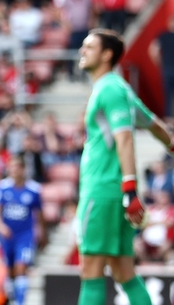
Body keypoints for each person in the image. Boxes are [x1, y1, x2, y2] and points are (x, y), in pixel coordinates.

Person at [76, 28, 174, 305]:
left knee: (91, 268)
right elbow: (155, 126)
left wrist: (129, 187)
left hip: (104, 190)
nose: (82, 51)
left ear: (107, 55)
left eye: (89, 47)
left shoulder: (109, 88)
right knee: (123, 271)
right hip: (114, 192)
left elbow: (125, 139)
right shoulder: (121, 89)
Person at [0, 156, 47, 305]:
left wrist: (42, 233)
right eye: (11, 167)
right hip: (6, 236)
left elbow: (40, 215)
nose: (14, 170)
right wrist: (1, 227)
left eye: (17, 167)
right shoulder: (2, 187)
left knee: (21, 267)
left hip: (25, 236)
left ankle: (20, 302)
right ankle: (12, 298)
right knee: (9, 271)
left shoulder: (34, 189)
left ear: (23, 169)